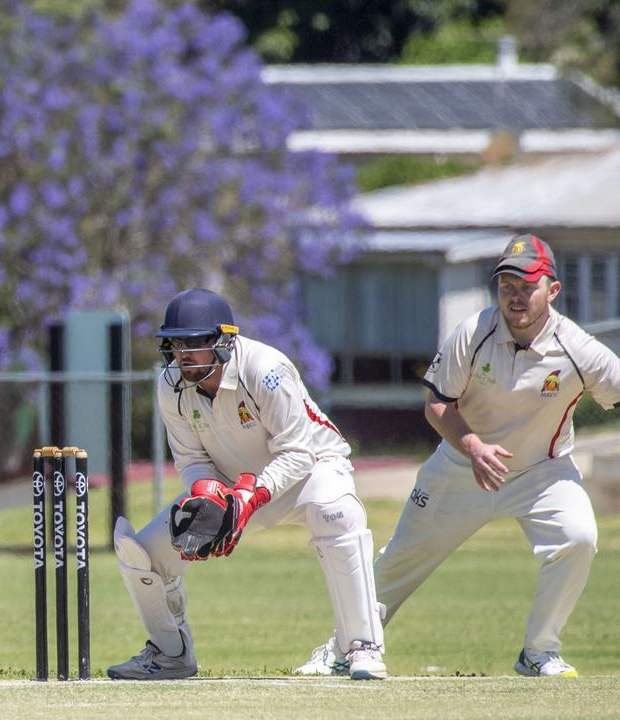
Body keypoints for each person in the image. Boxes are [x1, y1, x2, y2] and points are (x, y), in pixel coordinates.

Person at [298, 234, 620, 678]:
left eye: (528, 285)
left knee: (579, 538)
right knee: (398, 563)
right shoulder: (473, 333)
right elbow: (436, 404)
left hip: (541, 472)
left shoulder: (578, 349)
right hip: (459, 467)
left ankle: (539, 652)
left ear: (553, 290)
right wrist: (473, 447)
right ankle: (342, 649)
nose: (516, 296)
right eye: (508, 286)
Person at [107, 288, 387, 681]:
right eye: (175, 343)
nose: (184, 354)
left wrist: (248, 497)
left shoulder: (265, 369)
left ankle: (361, 646)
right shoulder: (171, 385)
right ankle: (171, 654)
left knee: (336, 512)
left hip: (310, 473)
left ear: (223, 341)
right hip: (234, 487)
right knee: (142, 552)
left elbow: (297, 451)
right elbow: (191, 459)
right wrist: (209, 494)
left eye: (195, 342)